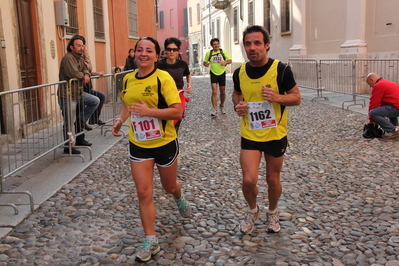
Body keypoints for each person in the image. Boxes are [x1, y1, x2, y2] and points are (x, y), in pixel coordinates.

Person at [112, 36, 191, 262]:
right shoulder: (128, 80)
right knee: (144, 192)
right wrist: (119, 119)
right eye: (139, 50)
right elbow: (127, 103)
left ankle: (179, 195)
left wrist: (150, 112)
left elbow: (177, 112)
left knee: (168, 186)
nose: (143, 54)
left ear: (157, 56)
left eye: (148, 50)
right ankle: (151, 240)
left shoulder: (163, 78)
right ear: (134, 53)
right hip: (138, 143)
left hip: (164, 142)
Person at [232, 25, 301, 234]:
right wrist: (238, 104)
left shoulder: (281, 70)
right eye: (248, 44)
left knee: (273, 180)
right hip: (250, 133)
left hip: (275, 134)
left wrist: (277, 97)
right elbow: (237, 94)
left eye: (257, 43)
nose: (252, 48)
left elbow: (296, 97)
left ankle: (272, 212)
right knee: (248, 180)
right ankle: (253, 210)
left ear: (267, 45)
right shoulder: (240, 72)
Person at [58, 35, 100, 154]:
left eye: (82, 45)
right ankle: (68, 146)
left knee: (95, 100)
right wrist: (84, 75)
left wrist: (86, 73)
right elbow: (74, 73)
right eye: (78, 45)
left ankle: (81, 120)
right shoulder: (68, 58)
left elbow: (87, 69)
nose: (81, 48)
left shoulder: (80, 57)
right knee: (69, 121)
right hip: (67, 95)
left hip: (78, 93)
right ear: (71, 47)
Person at [157, 37, 192, 131]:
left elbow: (188, 74)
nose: (172, 51)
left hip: (178, 97)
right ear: (166, 51)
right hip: (163, 98)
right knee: (164, 124)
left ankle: (173, 141)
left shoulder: (182, 64)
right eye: (169, 49)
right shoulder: (159, 65)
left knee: (175, 124)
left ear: (178, 51)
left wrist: (189, 85)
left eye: (174, 49)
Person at [203, 38, 232, 118]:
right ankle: (214, 109)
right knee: (214, 91)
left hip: (222, 73)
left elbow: (230, 60)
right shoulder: (209, 53)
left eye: (217, 44)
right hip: (213, 73)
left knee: (222, 92)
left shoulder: (223, 52)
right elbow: (204, 62)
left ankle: (222, 105)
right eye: (214, 44)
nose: (216, 45)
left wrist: (225, 62)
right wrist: (206, 64)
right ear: (212, 46)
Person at [366, 72, 399, 138]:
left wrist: (372, 120)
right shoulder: (389, 83)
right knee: (389, 110)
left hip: (397, 108)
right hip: (396, 106)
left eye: (369, 84)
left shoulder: (378, 85)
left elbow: (373, 104)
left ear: (372, 80)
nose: (370, 86)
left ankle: (393, 130)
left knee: (373, 112)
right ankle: (395, 127)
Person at [82, 45, 106, 126]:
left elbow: (89, 71)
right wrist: (86, 56)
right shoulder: (79, 59)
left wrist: (97, 73)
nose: (86, 50)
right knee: (95, 100)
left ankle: (94, 119)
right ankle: (82, 121)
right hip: (80, 89)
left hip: (87, 87)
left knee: (101, 96)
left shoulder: (84, 58)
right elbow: (85, 71)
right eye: (84, 49)